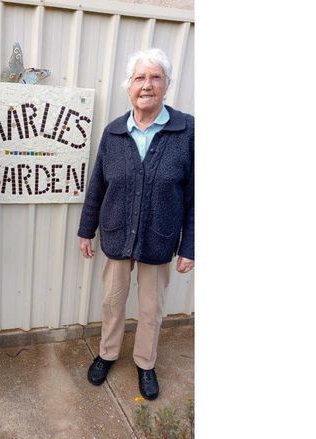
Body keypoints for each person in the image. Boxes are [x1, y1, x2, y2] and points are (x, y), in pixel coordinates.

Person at [77, 48, 194, 400]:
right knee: (112, 302)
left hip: (159, 241)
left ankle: (145, 363)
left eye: (155, 77)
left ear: (167, 85)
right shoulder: (114, 132)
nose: (147, 85)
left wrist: (190, 246)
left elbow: (197, 195)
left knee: (150, 308)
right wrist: (86, 229)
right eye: (139, 78)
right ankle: (108, 353)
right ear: (128, 87)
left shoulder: (187, 131)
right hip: (115, 235)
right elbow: (97, 184)